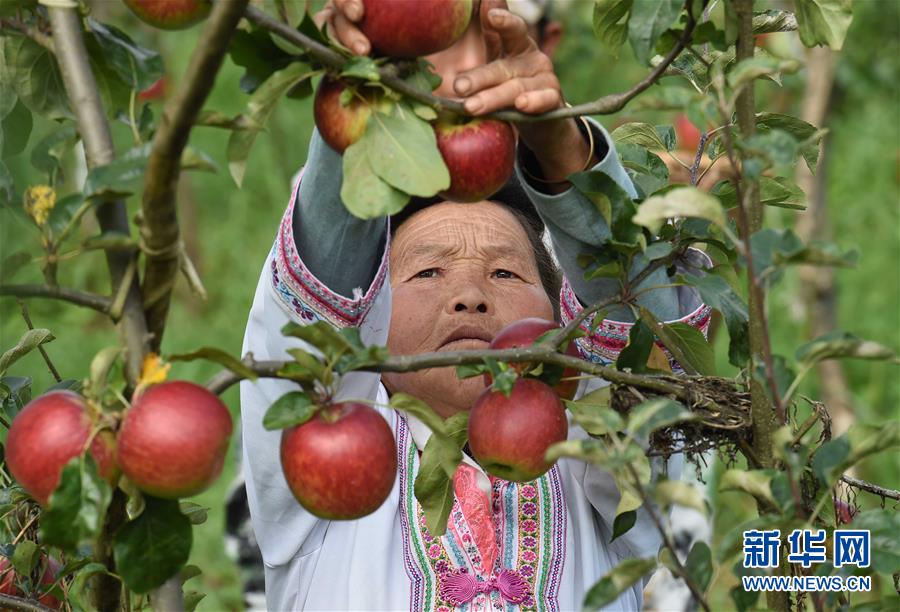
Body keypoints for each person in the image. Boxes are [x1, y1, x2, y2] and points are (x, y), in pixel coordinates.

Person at [239, 0, 712, 609]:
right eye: (428, 271)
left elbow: (633, 328)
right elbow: (321, 283)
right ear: (366, 326)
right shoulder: (326, 460)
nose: (468, 296)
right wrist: (363, 73)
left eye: (506, 270)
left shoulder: (595, 471)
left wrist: (561, 148)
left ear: (563, 323)